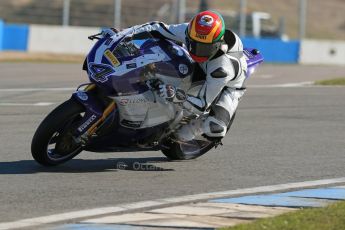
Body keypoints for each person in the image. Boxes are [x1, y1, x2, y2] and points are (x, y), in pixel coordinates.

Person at [105, 10, 248, 143]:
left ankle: (195, 126)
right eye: (193, 44)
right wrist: (125, 33)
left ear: (217, 45)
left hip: (228, 84)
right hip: (201, 65)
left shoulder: (222, 69)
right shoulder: (189, 31)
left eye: (203, 47)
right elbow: (157, 28)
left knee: (215, 128)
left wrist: (176, 95)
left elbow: (202, 104)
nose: (197, 50)